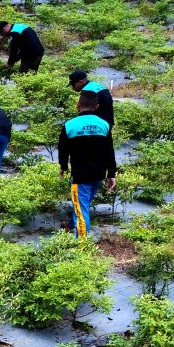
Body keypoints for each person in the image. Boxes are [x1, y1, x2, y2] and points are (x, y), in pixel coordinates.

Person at [58, 91, 116, 239]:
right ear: (96, 106)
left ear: (78, 105)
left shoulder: (69, 125)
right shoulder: (104, 125)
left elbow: (63, 150)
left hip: (80, 176)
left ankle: (82, 247)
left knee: (81, 211)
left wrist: (63, 166)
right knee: (82, 204)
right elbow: (110, 151)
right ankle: (71, 226)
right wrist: (111, 174)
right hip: (98, 175)